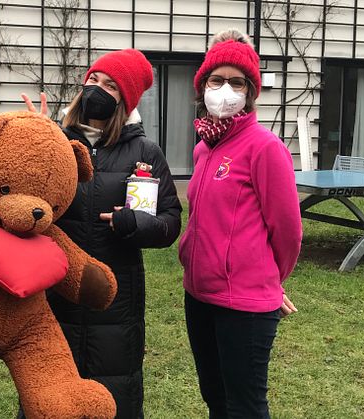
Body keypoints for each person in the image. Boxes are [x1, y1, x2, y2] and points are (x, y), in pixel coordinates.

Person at [25, 48, 183, 418]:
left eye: (111, 85)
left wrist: (135, 223)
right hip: (55, 291)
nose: (97, 89)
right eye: (93, 80)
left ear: (125, 101)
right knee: (49, 395)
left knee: (115, 392)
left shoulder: (145, 152)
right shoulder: (56, 143)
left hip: (117, 300)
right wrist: (38, 138)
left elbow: (170, 221)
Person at [178, 29, 302, 418]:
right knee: (215, 398)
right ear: (202, 88)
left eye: (236, 82)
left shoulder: (266, 147)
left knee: (245, 407)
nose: (225, 89)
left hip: (244, 305)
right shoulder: (204, 148)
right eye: (217, 80)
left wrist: (268, 280)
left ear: (250, 92)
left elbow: (288, 230)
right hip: (199, 296)